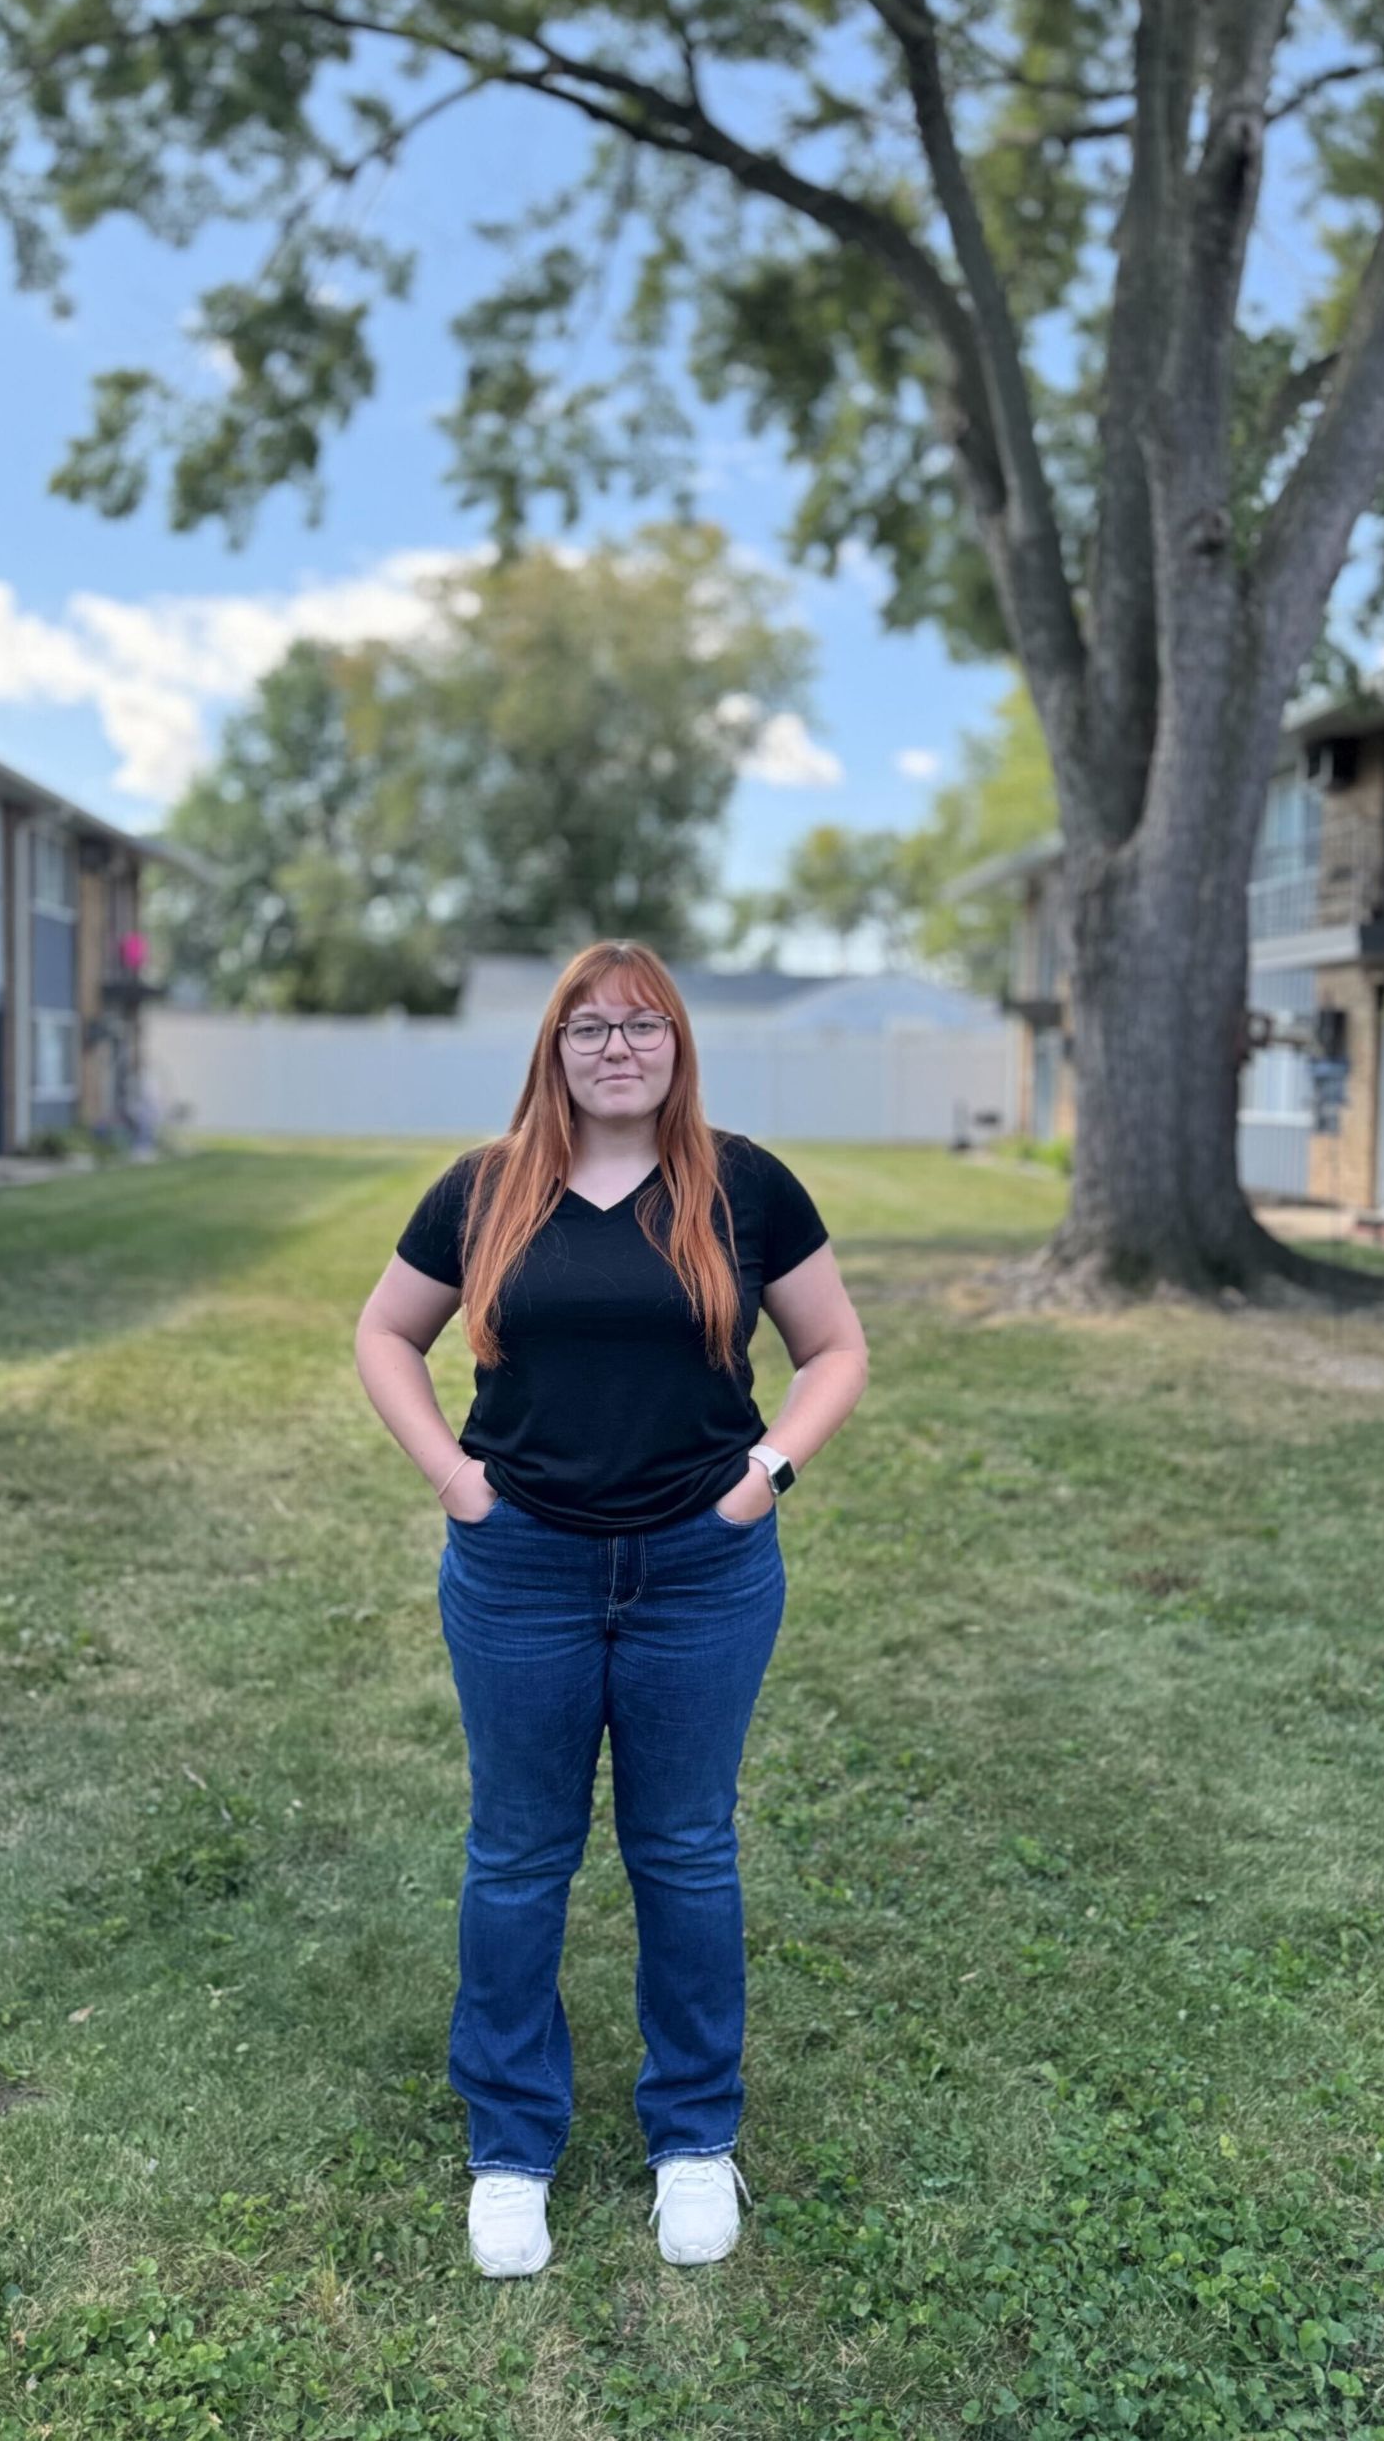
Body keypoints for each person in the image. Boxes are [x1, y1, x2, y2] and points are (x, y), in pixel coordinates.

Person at [353, 940, 869, 2278]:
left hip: (702, 1569)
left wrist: (764, 1477)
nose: (617, 1047)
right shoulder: (484, 1189)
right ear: (555, 1049)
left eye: (643, 1025)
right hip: (521, 1569)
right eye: (588, 1027)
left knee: (684, 1850)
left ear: (679, 1044)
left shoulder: (745, 1184)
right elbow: (384, 1334)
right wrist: (458, 1482)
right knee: (519, 1854)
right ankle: (511, 2147)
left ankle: (693, 2138)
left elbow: (834, 1349)